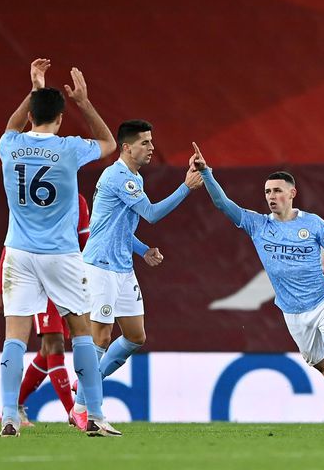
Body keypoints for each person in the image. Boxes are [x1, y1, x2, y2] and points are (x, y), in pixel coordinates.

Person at [191, 143, 324, 432]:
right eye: (268, 192)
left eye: (277, 191)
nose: (271, 196)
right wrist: (207, 173)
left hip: (322, 302)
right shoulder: (257, 225)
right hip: (293, 314)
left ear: (292, 193)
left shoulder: (313, 224)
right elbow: (224, 204)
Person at [0, 58, 120, 437]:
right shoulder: (68, 149)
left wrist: (35, 88)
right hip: (61, 254)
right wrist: (83, 101)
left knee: (15, 335)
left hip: (18, 253)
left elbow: (11, 125)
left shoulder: (9, 145)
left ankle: (8, 415)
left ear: (31, 113)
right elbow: (109, 143)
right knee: (81, 331)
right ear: (61, 118)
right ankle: (95, 415)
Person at [70, 120, 203, 428]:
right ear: (127, 147)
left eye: (152, 141)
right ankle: (88, 411)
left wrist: (143, 250)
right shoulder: (118, 176)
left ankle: (85, 393)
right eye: (145, 142)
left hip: (122, 268)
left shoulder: (134, 178)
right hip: (100, 266)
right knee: (100, 336)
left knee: (135, 336)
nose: (152, 147)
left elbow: (118, 228)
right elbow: (152, 214)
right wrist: (186, 187)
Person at [0, 193, 91, 427]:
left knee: (49, 351)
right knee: (54, 343)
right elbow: (13, 245)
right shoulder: (33, 196)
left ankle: (15, 404)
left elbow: (84, 242)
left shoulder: (78, 201)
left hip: (65, 276)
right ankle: (73, 412)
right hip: (37, 280)